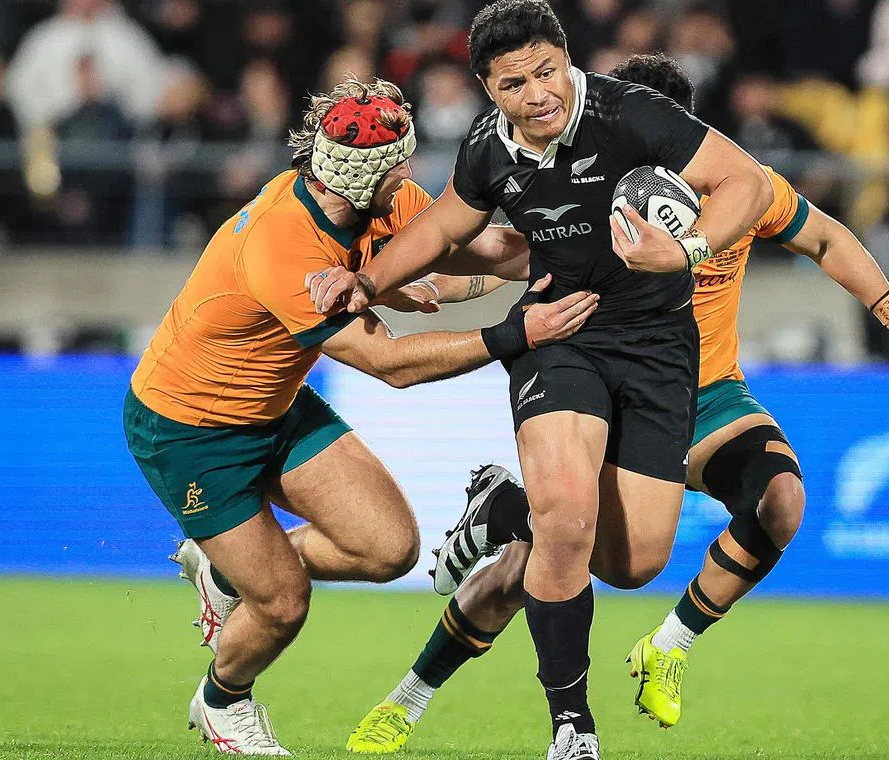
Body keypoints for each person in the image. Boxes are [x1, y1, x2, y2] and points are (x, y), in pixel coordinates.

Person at [342, 52, 889, 755]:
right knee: (539, 564)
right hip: (605, 393)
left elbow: (824, 235)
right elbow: (497, 255)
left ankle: (667, 645)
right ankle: (410, 696)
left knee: (780, 501)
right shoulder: (580, 186)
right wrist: (403, 277)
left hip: (708, 396)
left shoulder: (735, 187)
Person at [306, 3, 777, 756]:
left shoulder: (633, 116)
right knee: (568, 523)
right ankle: (572, 729)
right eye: (513, 83)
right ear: (489, 90)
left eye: (546, 71)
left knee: (632, 562)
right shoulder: (489, 148)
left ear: (568, 58)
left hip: (659, 351)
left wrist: (685, 250)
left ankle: (508, 510)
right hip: (559, 335)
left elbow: (747, 184)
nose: (536, 95)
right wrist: (362, 278)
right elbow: (440, 231)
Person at [123, 76, 597, 756]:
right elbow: (391, 365)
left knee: (388, 549)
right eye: (398, 166)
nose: (409, 175)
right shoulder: (283, 247)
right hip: (189, 431)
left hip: (275, 406)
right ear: (359, 178)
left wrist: (577, 244)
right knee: (283, 603)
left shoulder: (372, 194)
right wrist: (518, 331)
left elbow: (477, 249)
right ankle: (222, 700)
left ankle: (227, 568)